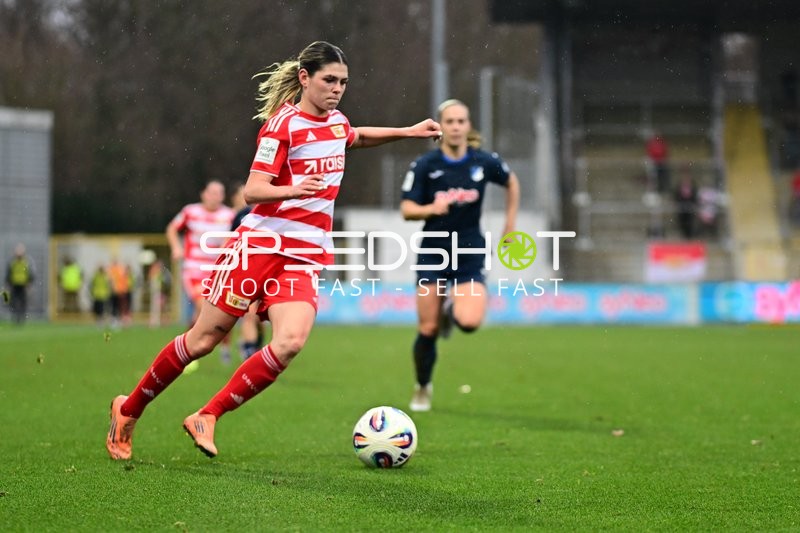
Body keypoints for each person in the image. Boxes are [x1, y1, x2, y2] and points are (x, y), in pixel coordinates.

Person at [106, 40, 442, 461]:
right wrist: (293, 189)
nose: (337, 89)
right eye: (329, 80)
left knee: (290, 342)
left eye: (343, 82)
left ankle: (208, 415)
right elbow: (252, 191)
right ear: (305, 78)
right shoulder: (282, 125)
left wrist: (408, 132)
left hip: (303, 255)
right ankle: (129, 409)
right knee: (204, 339)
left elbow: (354, 137)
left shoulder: (336, 123)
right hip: (258, 248)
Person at [400, 99, 520, 412]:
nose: (455, 127)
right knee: (427, 329)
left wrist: (509, 226)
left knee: (469, 322)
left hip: (469, 251)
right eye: (449, 121)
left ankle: (451, 308)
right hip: (434, 252)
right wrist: (430, 209)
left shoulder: (482, 162)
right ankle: (423, 385)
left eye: (461, 121)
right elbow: (407, 209)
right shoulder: (426, 166)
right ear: (441, 127)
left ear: (468, 126)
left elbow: (511, 181)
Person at [166, 180, 236, 362]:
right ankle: (189, 349)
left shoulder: (229, 215)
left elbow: (236, 237)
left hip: (219, 271)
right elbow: (172, 229)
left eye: (219, 193)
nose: (215, 197)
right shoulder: (190, 211)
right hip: (194, 269)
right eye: (212, 192)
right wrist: (176, 247)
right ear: (203, 194)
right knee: (203, 306)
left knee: (223, 311)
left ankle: (216, 349)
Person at [230, 182, 264, 360]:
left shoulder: (275, 209)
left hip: (269, 270)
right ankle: (249, 353)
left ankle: (254, 347)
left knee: (260, 318)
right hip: (248, 270)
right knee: (250, 314)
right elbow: (232, 240)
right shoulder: (242, 215)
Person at [5, 243, 34, 324]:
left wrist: (29, 283)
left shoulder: (27, 262)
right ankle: (15, 317)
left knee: (23, 302)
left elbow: (30, 273)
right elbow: (9, 273)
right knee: (13, 302)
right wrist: (8, 283)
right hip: (14, 285)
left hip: (23, 285)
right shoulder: (12, 262)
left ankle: (21, 318)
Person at [673, 170, 698, 239]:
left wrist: (693, 203)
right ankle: (684, 234)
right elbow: (676, 195)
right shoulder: (679, 186)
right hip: (682, 206)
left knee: (689, 221)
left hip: (689, 206)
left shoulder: (693, 186)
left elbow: (694, 196)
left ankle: (689, 235)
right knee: (682, 221)